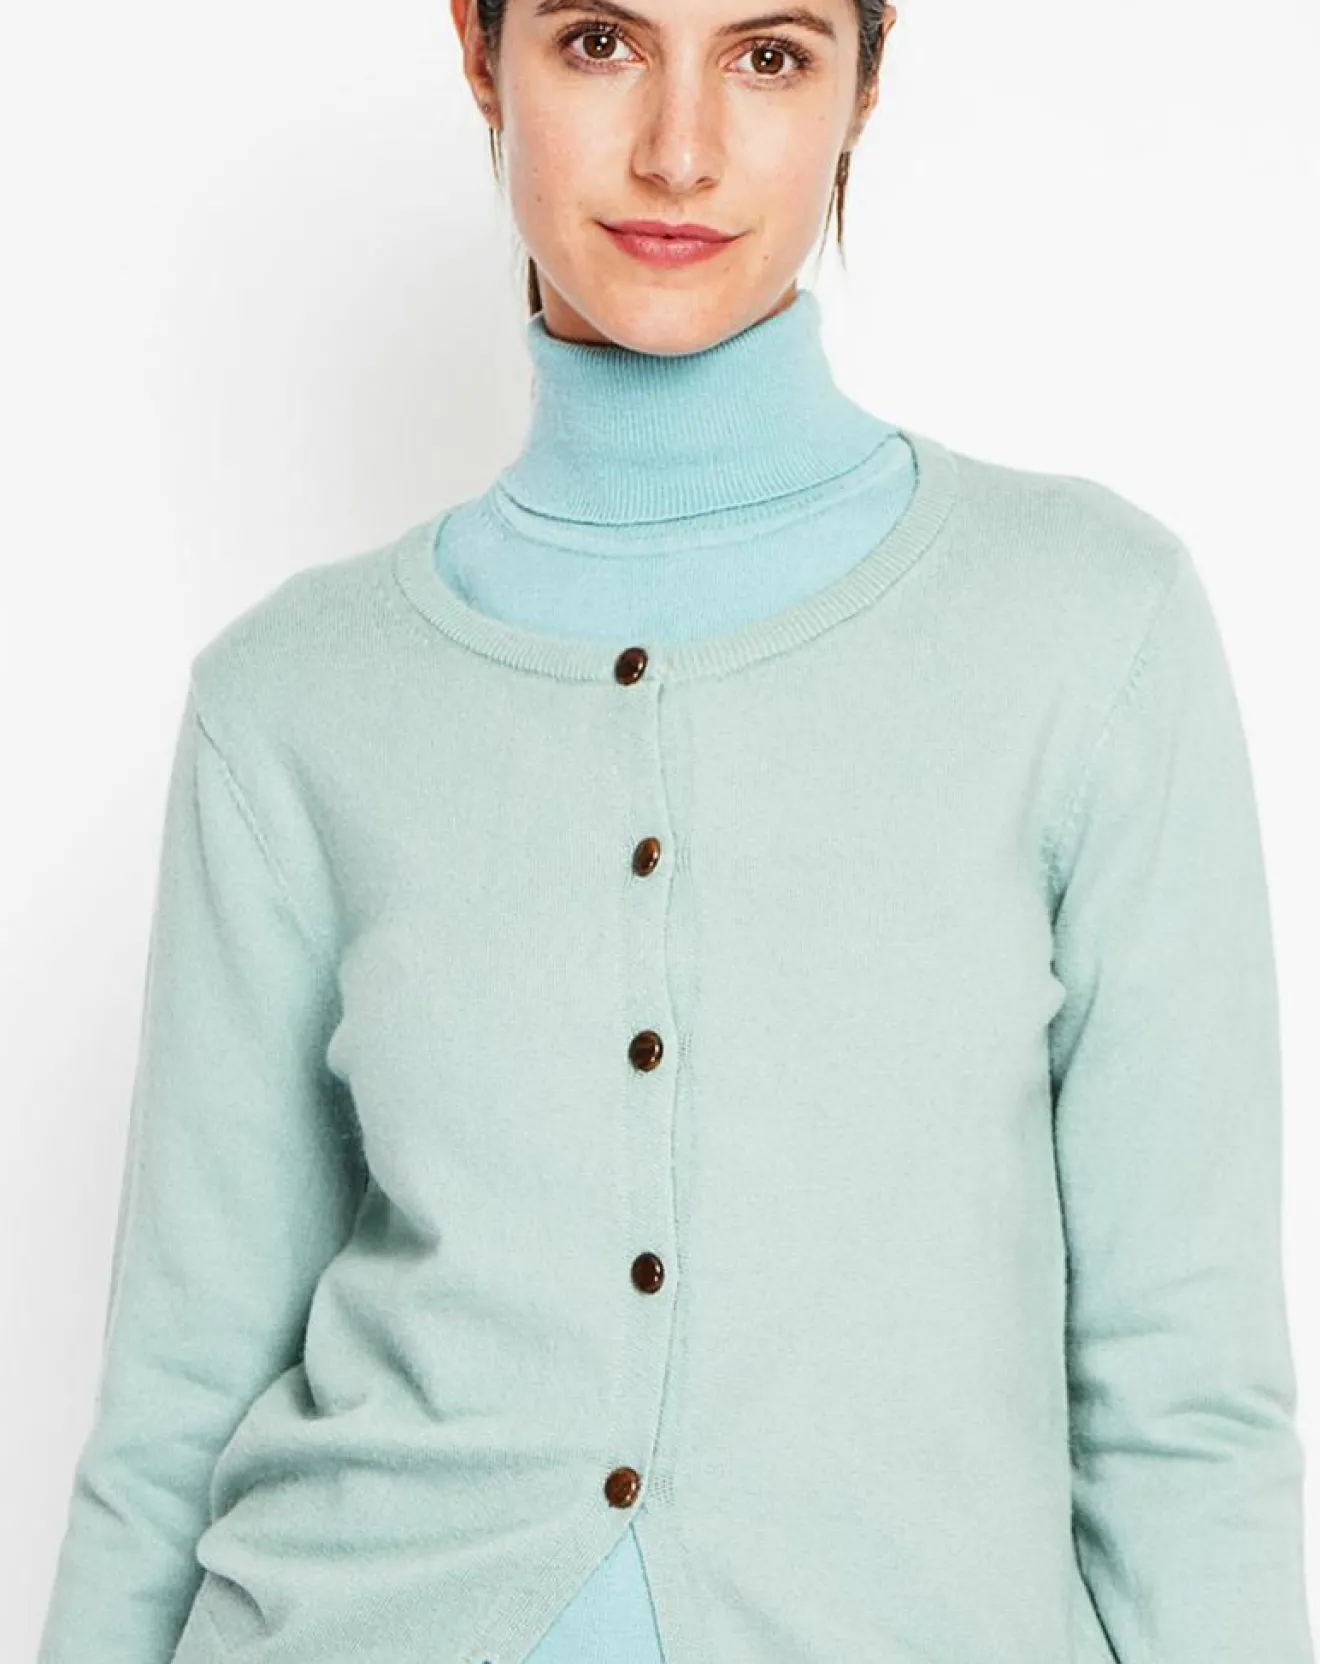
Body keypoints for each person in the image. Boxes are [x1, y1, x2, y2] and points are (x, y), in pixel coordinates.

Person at [38, 0, 1315, 1660]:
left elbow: (1186, 1400)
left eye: (769, 55)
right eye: (601, 41)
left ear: (866, 79)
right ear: (480, 51)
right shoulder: (289, 700)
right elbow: (172, 1409)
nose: (681, 151)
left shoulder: (1088, 626)